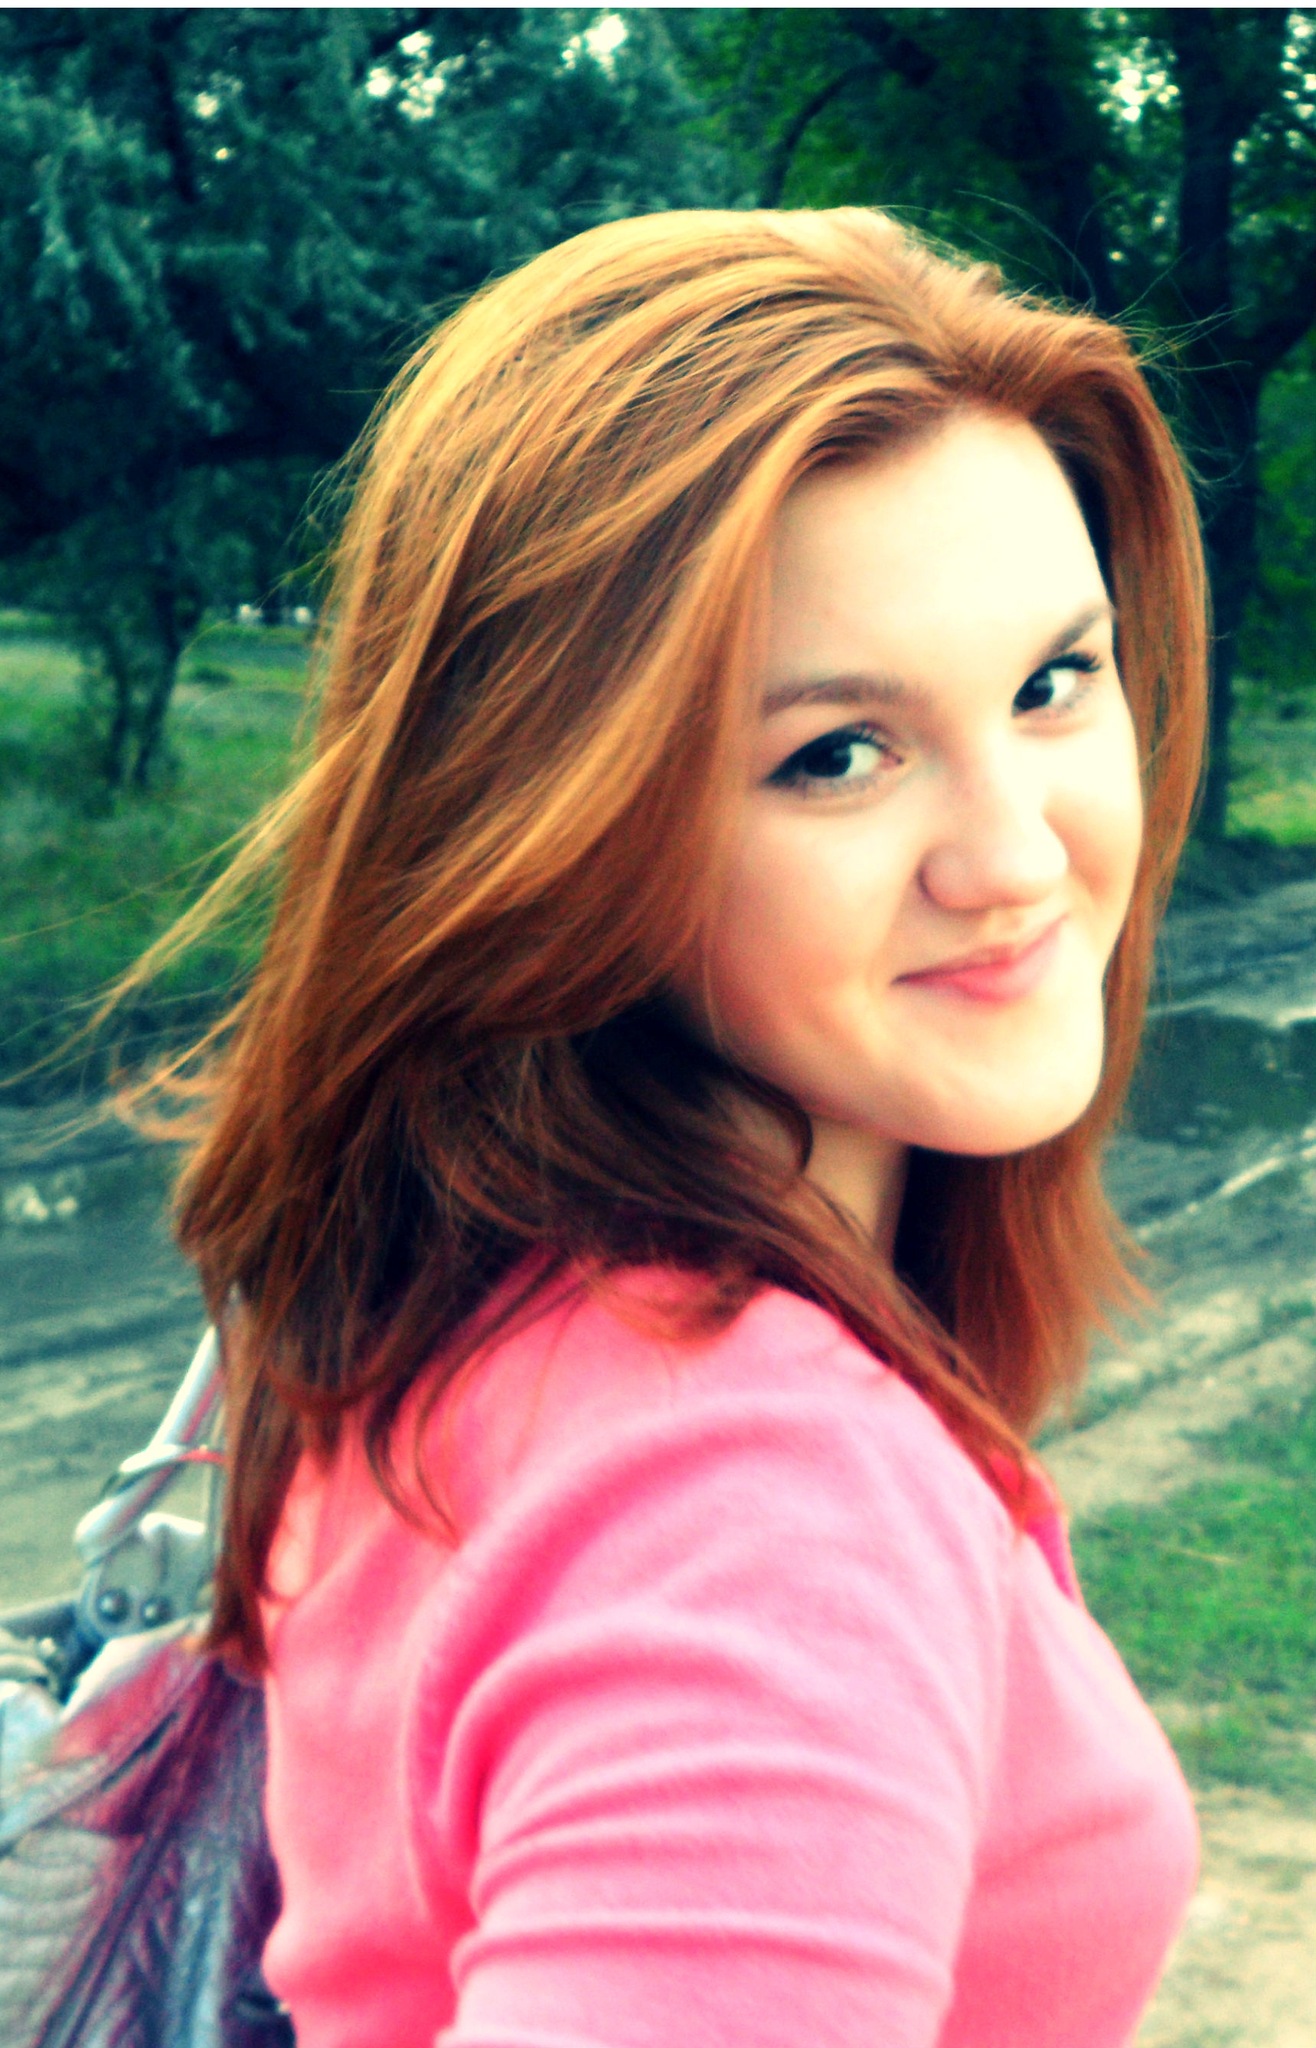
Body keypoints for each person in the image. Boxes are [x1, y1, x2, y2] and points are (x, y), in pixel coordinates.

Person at [158, 208, 1208, 2046]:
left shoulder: (486, 1316)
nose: (1019, 857)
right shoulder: (754, 1491)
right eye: (835, 755)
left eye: (1054, 683)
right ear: (561, 821)